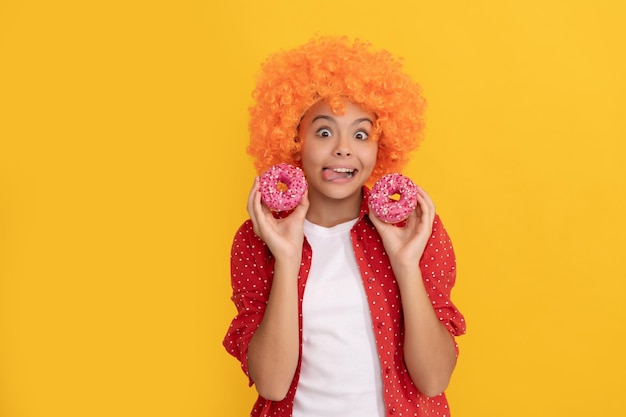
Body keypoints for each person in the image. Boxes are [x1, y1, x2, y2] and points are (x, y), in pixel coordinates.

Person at [223, 36, 466, 417]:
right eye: (323, 132)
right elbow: (271, 384)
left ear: (380, 145)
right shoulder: (257, 239)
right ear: (293, 139)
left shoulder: (416, 230)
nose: (343, 148)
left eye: (360, 133)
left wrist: (405, 265)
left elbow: (433, 380)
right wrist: (286, 259)